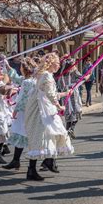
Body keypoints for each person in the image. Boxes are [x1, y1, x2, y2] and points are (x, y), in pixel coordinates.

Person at [24, 53, 74, 181]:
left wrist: (64, 94)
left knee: (52, 134)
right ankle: (32, 169)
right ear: (51, 63)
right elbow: (50, 95)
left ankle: (49, 160)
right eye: (57, 63)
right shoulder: (46, 75)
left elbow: (48, 93)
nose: (59, 65)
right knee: (41, 137)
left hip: (43, 108)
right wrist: (59, 106)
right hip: (40, 110)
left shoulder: (45, 74)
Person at [3, 57, 37, 171]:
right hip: (30, 111)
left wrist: (16, 110)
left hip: (25, 112)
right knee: (22, 135)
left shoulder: (27, 82)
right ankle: (16, 161)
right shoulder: (30, 80)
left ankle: (26, 163)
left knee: (22, 133)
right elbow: (16, 79)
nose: (20, 68)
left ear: (25, 68)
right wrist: (7, 66)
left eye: (21, 66)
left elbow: (23, 98)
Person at [57, 59, 85, 140]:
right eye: (74, 65)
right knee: (77, 112)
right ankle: (71, 129)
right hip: (72, 95)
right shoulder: (74, 72)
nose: (75, 66)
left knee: (69, 115)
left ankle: (68, 132)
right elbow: (82, 78)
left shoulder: (61, 74)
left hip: (65, 96)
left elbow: (59, 85)